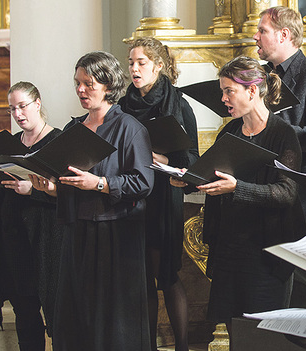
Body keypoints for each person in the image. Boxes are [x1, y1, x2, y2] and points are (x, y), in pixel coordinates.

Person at [171, 56, 306, 335]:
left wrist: (237, 188)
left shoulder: (283, 134)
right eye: (223, 91)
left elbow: (287, 193)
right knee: (236, 332)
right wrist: (187, 179)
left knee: (263, 336)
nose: (223, 98)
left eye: (228, 91)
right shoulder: (231, 131)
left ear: (252, 91)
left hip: (266, 252)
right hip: (230, 249)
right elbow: (210, 174)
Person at [31, 51, 154, 350]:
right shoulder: (74, 129)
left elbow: (143, 182)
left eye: (89, 83)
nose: (81, 90)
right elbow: (69, 180)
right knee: (76, 316)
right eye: (77, 83)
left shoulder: (129, 128)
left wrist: (99, 183)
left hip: (116, 235)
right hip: (78, 232)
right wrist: (51, 188)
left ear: (109, 85)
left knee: (112, 320)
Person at [0, 81, 62, 350]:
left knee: (56, 310)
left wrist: (33, 190)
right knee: (25, 312)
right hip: (15, 238)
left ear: (38, 104)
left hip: (47, 238)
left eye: (22, 106)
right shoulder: (9, 145)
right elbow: (3, 193)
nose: (18, 114)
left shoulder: (57, 141)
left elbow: (69, 194)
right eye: (12, 109)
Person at [254, 5, 306, 308]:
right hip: (264, 184)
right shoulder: (262, 76)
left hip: (299, 189)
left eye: (262, 31)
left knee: (300, 277)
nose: (256, 37)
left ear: (284, 34)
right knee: (266, 276)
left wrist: (274, 128)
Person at [118, 37, 199, 351]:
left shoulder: (178, 104)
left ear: (158, 65)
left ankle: (181, 346)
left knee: (166, 275)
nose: (134, 69)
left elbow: (192, 158)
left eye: (141, 63)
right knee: (142, 280)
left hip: (165, 196)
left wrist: (166, 159)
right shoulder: (124, 104)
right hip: (133, 197)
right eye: (131, 63)